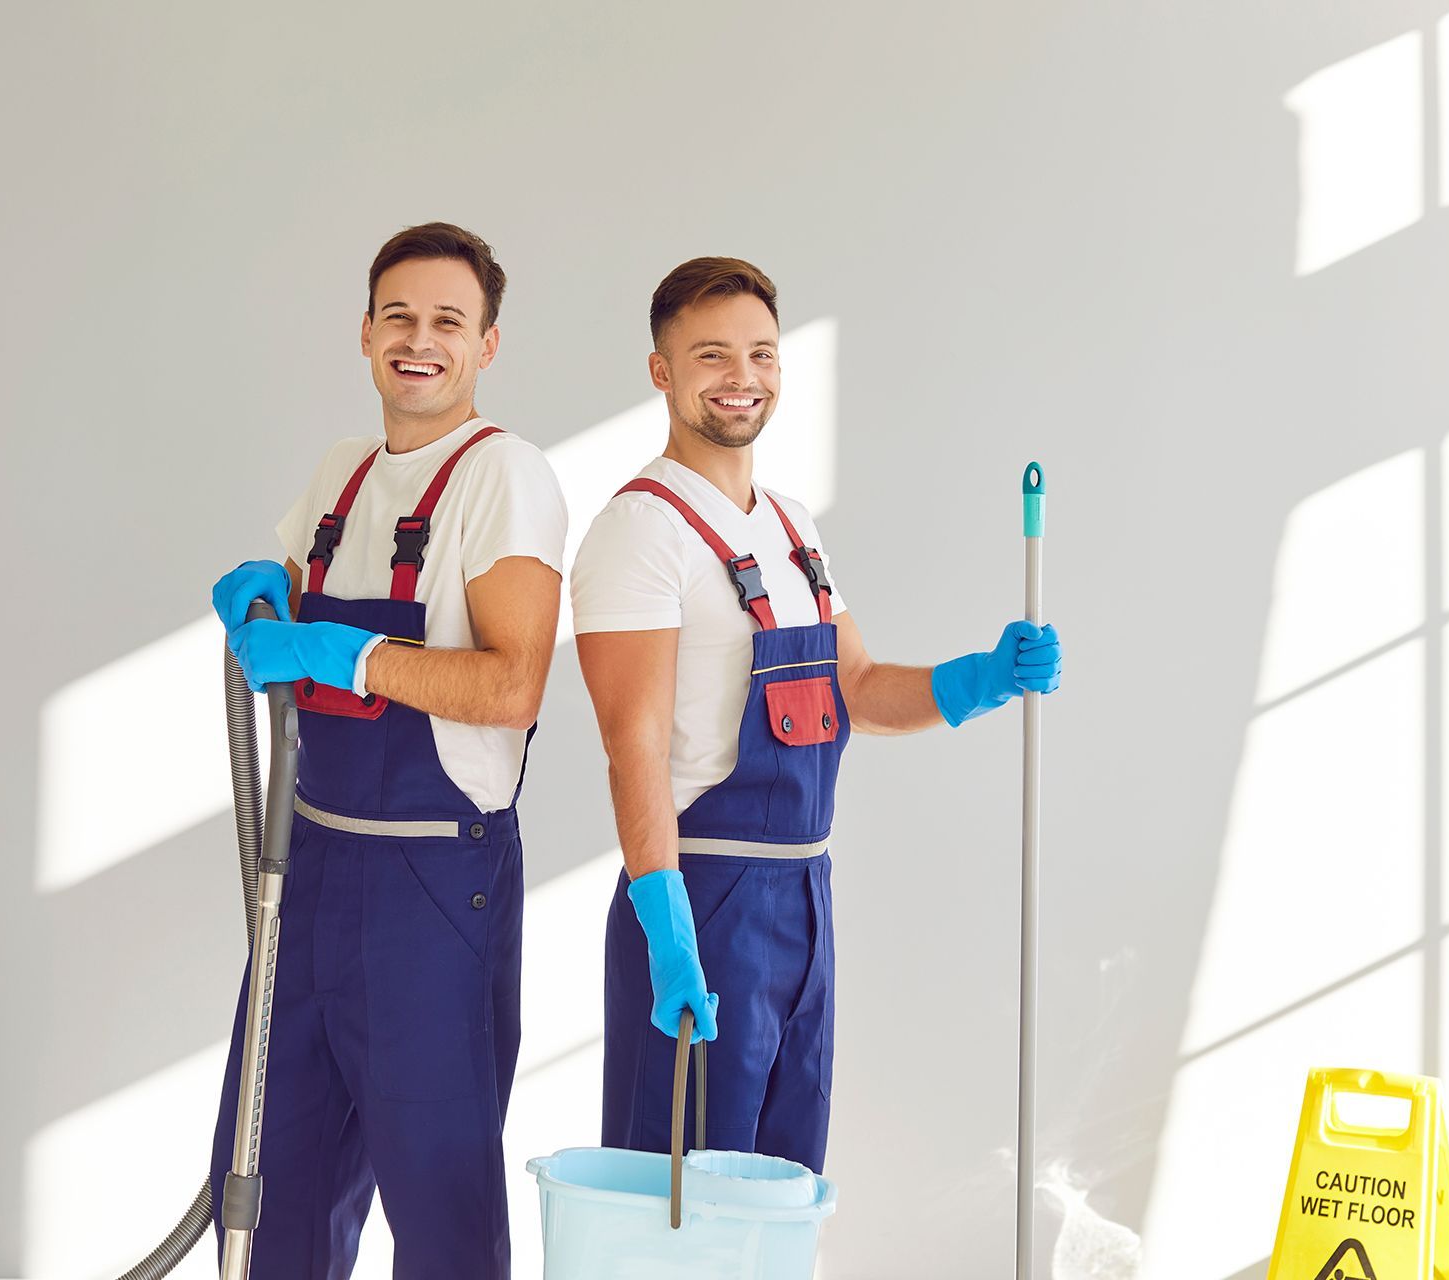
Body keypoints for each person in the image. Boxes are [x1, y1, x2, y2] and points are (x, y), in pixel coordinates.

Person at [570, 257, 1062, 1175]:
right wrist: (668, 928)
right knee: (680, 1199)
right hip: (699, 896)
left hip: (803, 895)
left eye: (761, 353)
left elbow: (858, 685)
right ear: (661, 371)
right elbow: (629, 744)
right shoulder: (640, 531)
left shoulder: (795, 528)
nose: (742, 377)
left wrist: (980, 679)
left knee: (784, 1186)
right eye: (711, 355)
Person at [207, 222, 567, 1278]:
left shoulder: (504, 477)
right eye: (399, 316)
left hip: (432, 877)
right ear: (366, 333)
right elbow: (282, 583)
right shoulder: (342, 473)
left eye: (448, 321)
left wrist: (350, 653)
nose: (421, 340)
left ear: (486, 344)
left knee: (438, 1196)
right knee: (272, 1178)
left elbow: (513, 685)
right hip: (312, 859)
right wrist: (261, 593)